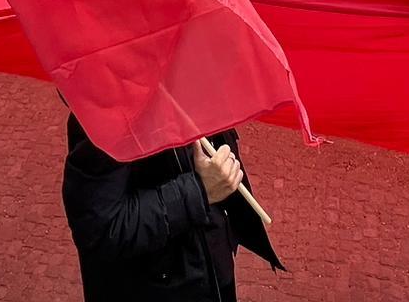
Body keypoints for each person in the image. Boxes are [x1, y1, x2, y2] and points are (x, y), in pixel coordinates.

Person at [62, 113, 281, 301]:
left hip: (211, 265)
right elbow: (101, 228)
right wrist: (200, 191)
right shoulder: (106, 112)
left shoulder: (189, 85)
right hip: (157, 286)